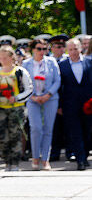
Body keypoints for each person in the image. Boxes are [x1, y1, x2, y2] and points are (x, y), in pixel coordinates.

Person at [0, 46, 32, 171]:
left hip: (16, 109)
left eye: (5, 57)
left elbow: (29, 89)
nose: (2, 60)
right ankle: (6, 162)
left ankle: (15, 163)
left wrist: (17, 98)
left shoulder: (20, 71)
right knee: (3, 137)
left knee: (15, 136)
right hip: (0, 109)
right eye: (0, 58)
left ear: (11, 57)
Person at [23, 38, 60, 170]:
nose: (42, 51)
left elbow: (57, 80)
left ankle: (45, 159)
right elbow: (23, 82)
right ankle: (35, 157)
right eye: (39, 49)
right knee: (36, 128)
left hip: (50, 98)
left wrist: (48, 94)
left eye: (45, 49)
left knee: (48, 129)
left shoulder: (51, 61)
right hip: (32, 99)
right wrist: (32, 96)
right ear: (33, 49)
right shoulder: (26, 63)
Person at [58, 39, 92, 170]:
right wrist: (59, 105)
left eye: (75, 49)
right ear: (67, 50)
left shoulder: (89, 62)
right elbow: (59, 87)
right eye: (70, 49)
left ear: (81, 48)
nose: (73, 52)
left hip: (88, 104)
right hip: (70, 105)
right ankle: (80, 160)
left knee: (87, 132)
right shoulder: (62, 65)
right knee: (75, 132)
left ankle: (85, 155)